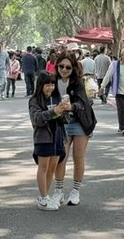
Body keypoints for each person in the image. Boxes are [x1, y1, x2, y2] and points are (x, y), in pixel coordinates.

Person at [52, 53, 97, 206]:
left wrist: (72, 106)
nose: (64, 70)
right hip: (61, 123)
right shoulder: (52, 81)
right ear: (56, 66)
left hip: (80, 122)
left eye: (68, 67)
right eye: (61, 66)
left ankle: (75, 191)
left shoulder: (78, 82)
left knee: (78, 157)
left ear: (73, 68)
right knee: (60, 158)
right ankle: (58, 191)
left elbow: (83, 103)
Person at [29, 72, 71, 211]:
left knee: (52, 168)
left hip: (58, 137)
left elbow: (65, 120)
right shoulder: (35, 101)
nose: (50, 87)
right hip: (43, 138)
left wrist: (64, 110)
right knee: (43, 168)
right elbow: (36, 119)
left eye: (52, 84)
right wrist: (54, 111)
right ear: (41, 85)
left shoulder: (56, 98)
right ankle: (43, 198)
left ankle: (46, 195)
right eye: (47, 84)